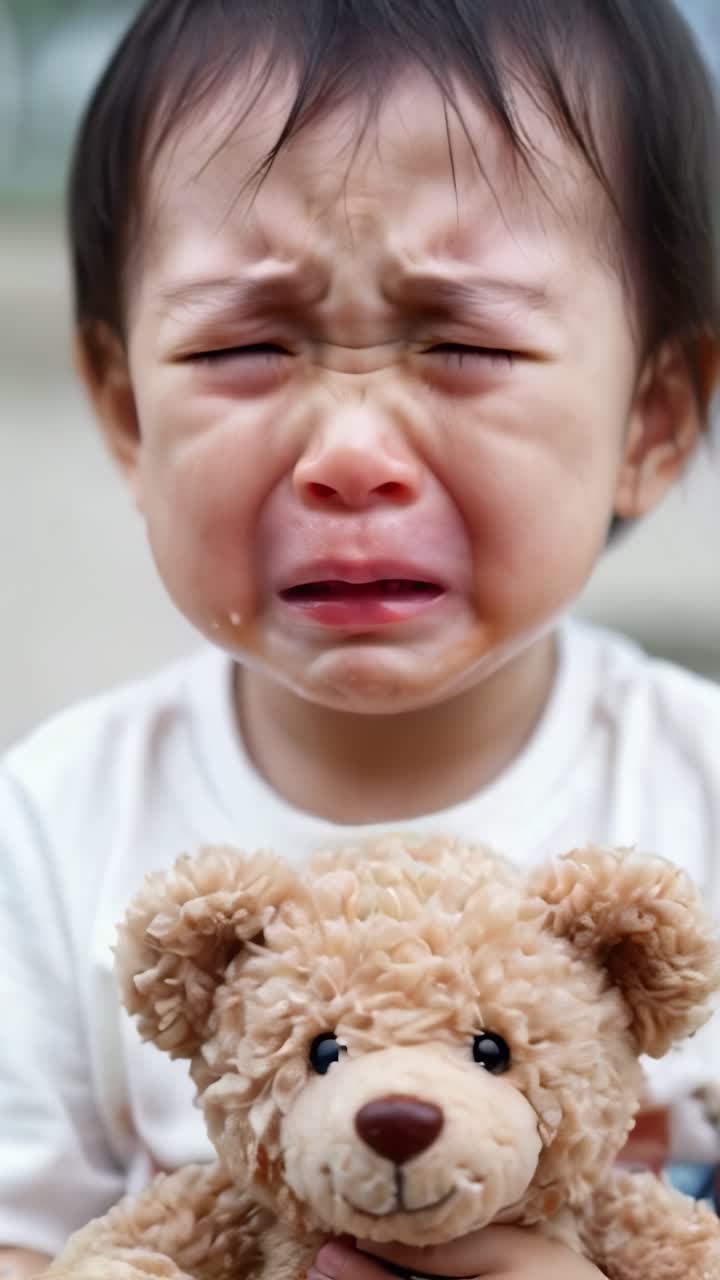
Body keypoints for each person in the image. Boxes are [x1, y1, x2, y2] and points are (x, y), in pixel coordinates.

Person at [2, 0, 720, 1277]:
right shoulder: (53, 827)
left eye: (466, 342)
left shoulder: (699, 791)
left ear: (651, 420)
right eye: (243, 345)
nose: (348, 454)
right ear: (127, 415)